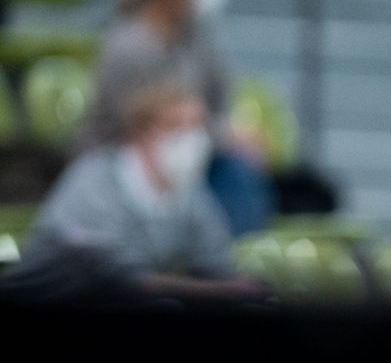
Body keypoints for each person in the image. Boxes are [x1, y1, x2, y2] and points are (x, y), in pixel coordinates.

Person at [83, 0, 273, 235]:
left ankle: (232, 265)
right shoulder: (128, 45)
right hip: (126, 162)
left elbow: (219, 101)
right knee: (221, 179)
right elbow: (140, 129)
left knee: (240, 172)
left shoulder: (201, 35)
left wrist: (229, 136)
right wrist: (222, 138)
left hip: (192, 153)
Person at [7, 84, 257, 302]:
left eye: (197, 126)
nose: (192, 138)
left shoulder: (191, 194)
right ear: (143, 133)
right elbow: (129, 282)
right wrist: (224, 291)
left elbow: (216, 262)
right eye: (177, 125)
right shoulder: (94, 181)